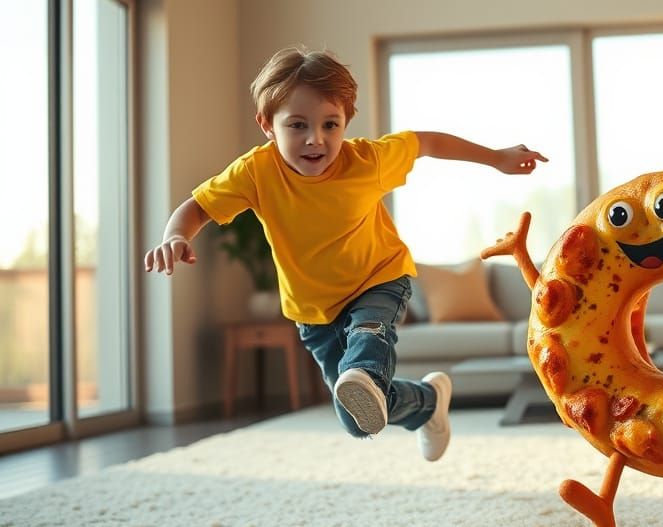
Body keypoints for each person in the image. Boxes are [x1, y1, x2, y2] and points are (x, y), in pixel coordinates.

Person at [144, 45, 547, 462]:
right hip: (314, 311)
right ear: (267, 125)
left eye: (329, 124)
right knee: (359, 418)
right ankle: (427, 402)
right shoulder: (255, 172)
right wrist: (176, 235)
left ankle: (368, 373)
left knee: (365, 344)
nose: (315, 138)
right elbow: (198, 207)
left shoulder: (367, 160)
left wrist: (496, 157)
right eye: (297, 125)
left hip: (379, 280)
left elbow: (428, 142)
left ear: (345, 122)